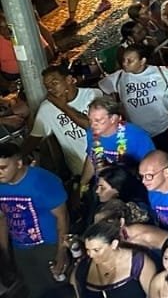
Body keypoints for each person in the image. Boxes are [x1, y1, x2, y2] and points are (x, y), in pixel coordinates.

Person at [0, 143, 70, 298]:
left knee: (59, 289)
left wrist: (61, 253)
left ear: (18, 163)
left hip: (48, 246)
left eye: (3, 167)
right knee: (35, 290)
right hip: (20, 248)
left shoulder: (43, 182)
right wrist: (5, 253)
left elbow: (62, 218)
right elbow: (2, 218)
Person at [28, 64, 102, 178]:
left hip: (106, 163)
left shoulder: (92, 95)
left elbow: (91, 126)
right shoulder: (46, 108)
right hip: (81, 171)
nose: (51, 89)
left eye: (54, 83)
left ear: (68, 80)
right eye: (47, 86)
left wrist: (63, 106)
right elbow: (34, 138)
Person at [74, 219, 157, 298]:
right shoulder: (83, 267)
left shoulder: (139, 264)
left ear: (114, 244)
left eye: (96, 250)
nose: (90, 255)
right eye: (88, 250)